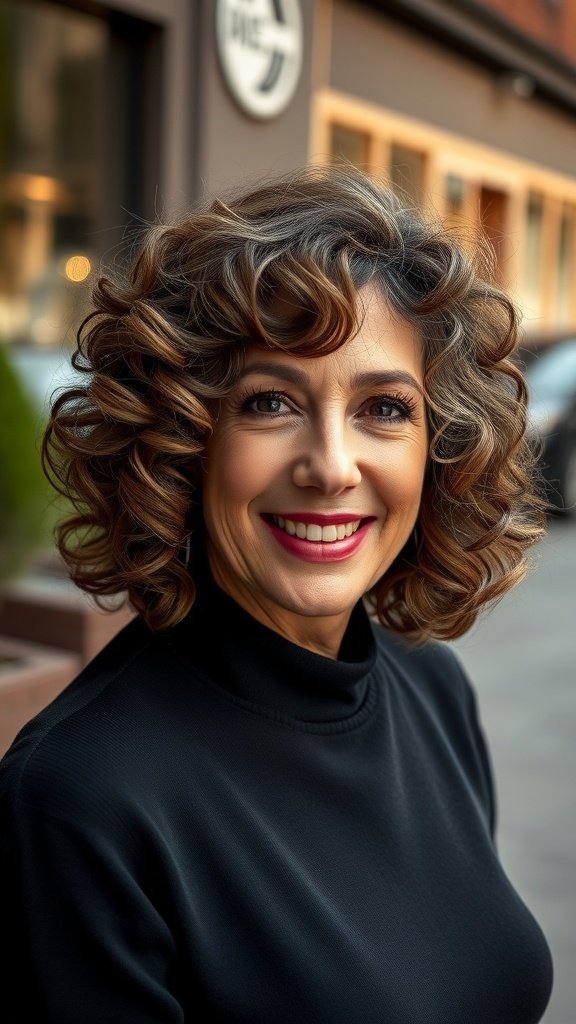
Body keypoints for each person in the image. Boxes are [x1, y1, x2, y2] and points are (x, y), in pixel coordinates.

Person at [0, 164, 553, 1023]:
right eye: (268, 402)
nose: (331, 465)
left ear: (437, 449)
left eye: (384, 409)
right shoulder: (80, 802)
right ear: (185, 439)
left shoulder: (430, 688)